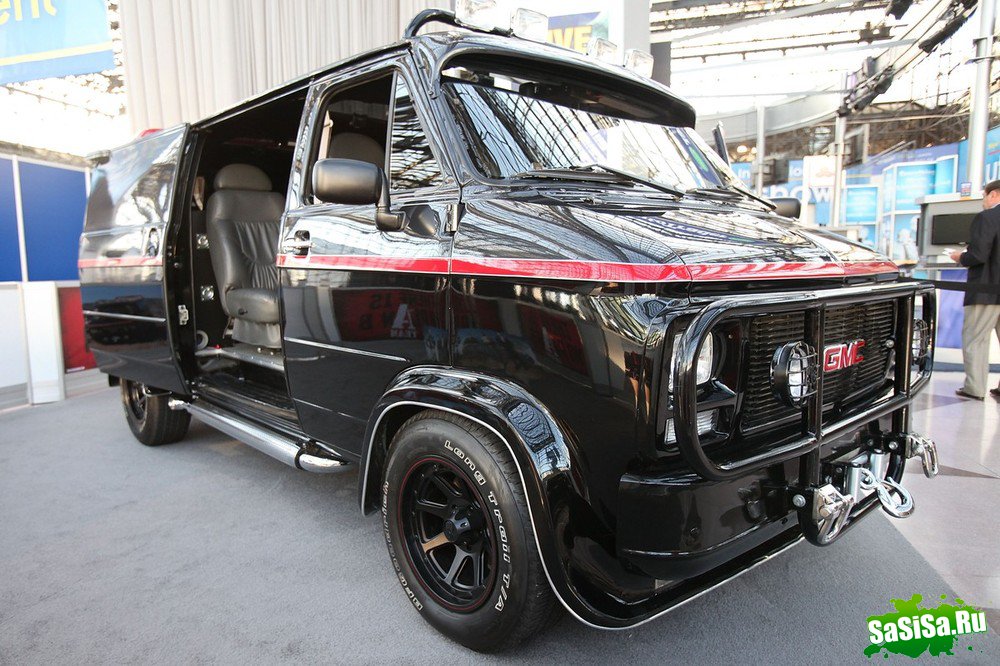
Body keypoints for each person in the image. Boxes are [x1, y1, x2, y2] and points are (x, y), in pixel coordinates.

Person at [949, 179, 1000, 400]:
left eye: (984, 195)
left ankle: (975, 388)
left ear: (994, 194)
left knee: (976, 339)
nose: (983, 201)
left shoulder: (987, 218)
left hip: (985, 290)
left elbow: (978, 255)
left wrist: (960, 257)